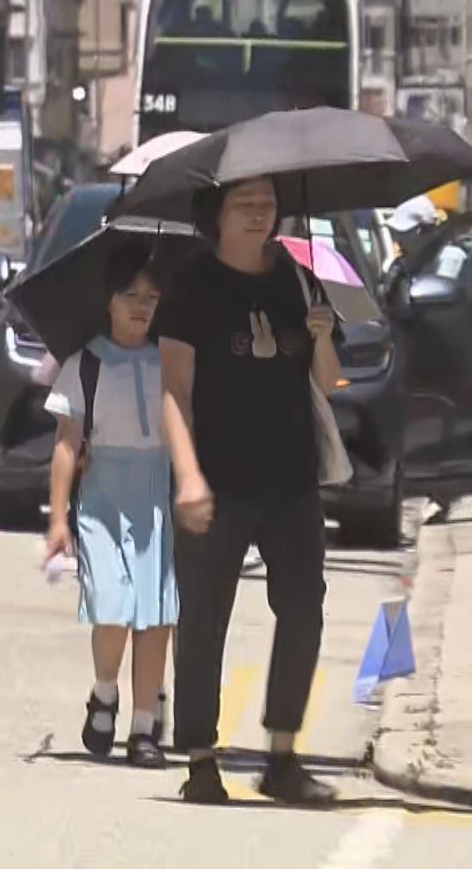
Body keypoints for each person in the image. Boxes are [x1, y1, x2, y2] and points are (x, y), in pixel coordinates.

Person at [156, 176, 342, 806]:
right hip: (216, 479)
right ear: (218, 214)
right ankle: (201, 760)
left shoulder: (294, 277)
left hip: (290, 479)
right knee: (205, 619)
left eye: (268, 202)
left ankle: (282, 755)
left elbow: (330, 381)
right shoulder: (192, 286)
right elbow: (174, 392)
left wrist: (320, 334)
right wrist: (187, 476)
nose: (262, 213)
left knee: (304, 609)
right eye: (247, 202)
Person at [43, 244, 178, 769]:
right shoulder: (86, 364)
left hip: (156, 499)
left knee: (156, 614)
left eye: (151, 297)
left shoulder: (170, 358)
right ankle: (105, 691)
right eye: (130, 296)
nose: (142, 306)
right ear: (109, 302)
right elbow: (65, 442)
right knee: (113, 605)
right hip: (102, 500)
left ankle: (143, 728)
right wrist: (59, 519)